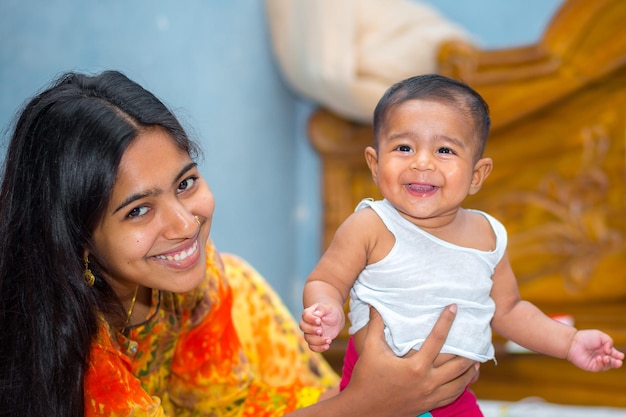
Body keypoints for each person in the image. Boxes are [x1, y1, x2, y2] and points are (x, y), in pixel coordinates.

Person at [0, 70, 479, 417]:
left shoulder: (197, 286)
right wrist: (364, 406)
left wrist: (386, 392)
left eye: (185, 182)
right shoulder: (68, 348)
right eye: (139, 210)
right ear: (77, 235)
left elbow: (235, 408)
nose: (185, 223)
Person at [300, 74, 624, 417]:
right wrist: (327, 310)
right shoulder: (370, 225)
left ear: (476, 175)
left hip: (449, 397)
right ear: (375, 164)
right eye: (404, 147)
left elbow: (509, 310)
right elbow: (327, 281)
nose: (422, 162)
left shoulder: (487, 235)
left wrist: (569, 342)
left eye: (444, 150)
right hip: (372, 387)